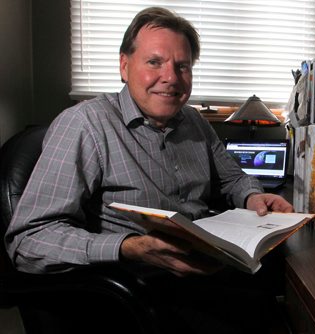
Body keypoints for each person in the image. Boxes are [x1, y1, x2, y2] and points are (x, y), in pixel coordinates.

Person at [5, 6, 293, 333]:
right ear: (124, 66)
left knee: (286, 292)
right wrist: (131, 247)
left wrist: (253, 197)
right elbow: (29, 240)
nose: (170, 77)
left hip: (207, 270)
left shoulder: (195, 122)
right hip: (136, 293)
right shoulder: (85, 125)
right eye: (154, 62)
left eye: (182, 66)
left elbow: (233, 178)